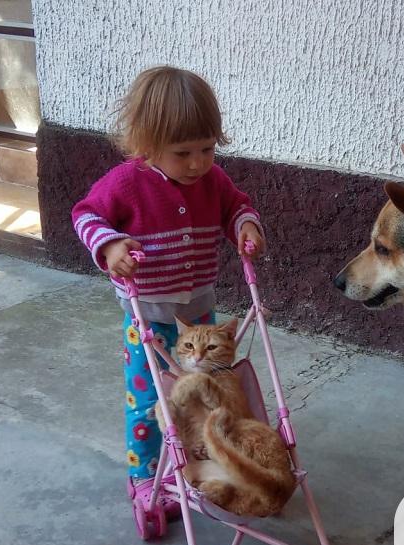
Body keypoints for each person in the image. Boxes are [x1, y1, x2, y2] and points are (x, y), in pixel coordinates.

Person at [71, 65, 264, 516]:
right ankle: (144, 475)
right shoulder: (125, 183)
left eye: (207, 149)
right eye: (183, 153)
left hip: (198, 315)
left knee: (202, 394)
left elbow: (236, 206)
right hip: (147, 318)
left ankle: (195, 461)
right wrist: (110, 245)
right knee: (149, 400)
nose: (198, 163)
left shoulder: (213, 181)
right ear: (148, 145)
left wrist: (246, 226)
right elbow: (85, 215)